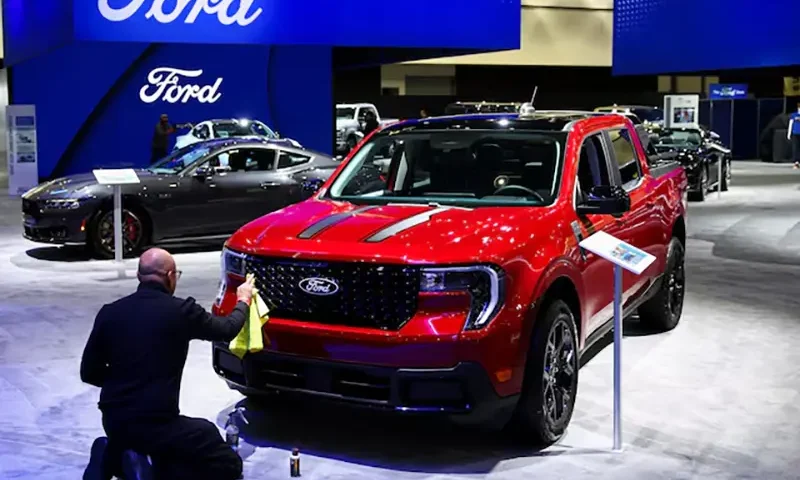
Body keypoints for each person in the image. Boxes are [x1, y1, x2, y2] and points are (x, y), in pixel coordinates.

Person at [81, 248, 254, 480]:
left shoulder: (109, 313)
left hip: (114, 422)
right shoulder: (181, 312)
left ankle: (114, 453)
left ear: (139, 276)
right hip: (157, 424)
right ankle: (130, 465)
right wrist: (243, 300)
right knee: (225, 462)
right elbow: (227, 329)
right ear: (171, 276)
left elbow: (88, 373)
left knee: (170, 451)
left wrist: (124, 380)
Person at [787, 103, 800, 169]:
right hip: (796, 133)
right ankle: (796, 162)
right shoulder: (793, 115)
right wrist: (789, 133)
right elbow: (790, 124)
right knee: (795, 148)